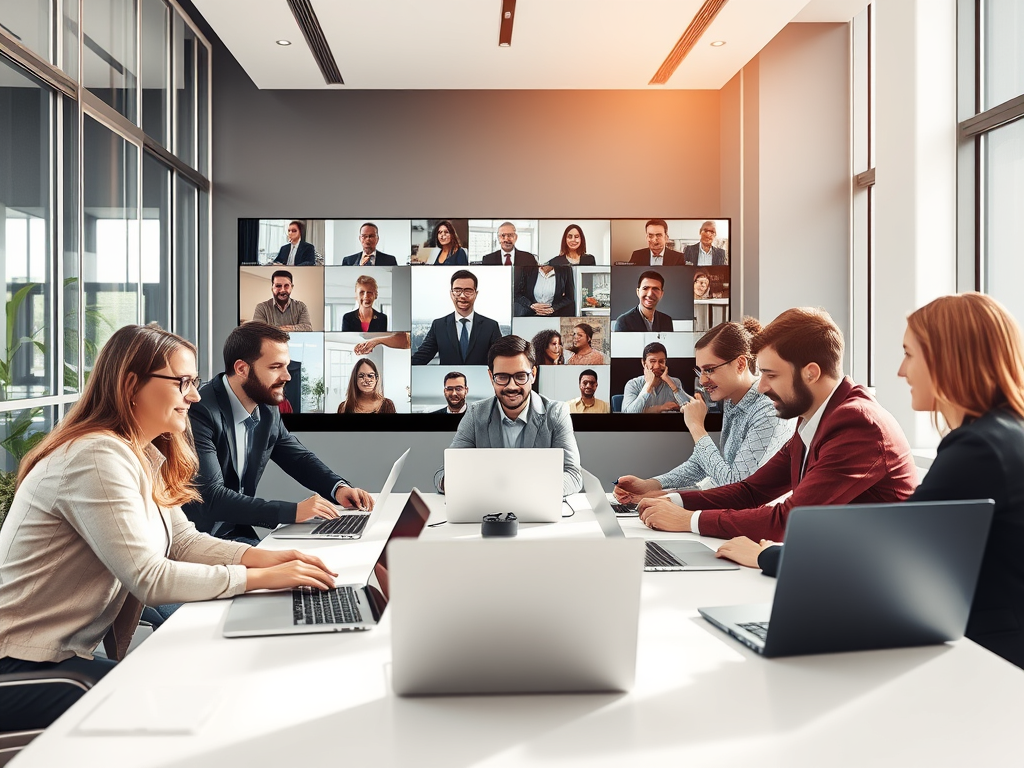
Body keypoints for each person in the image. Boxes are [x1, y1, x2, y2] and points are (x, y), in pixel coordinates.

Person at [0, 325, 336, 730]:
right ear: (131, 385)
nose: (194, 395)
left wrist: (273, 558)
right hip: (19, 664)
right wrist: (261, 577)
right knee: (187, 708)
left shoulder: (138, 452)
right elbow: (149, 578)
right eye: (183, 382)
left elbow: (181, 540)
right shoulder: (96, 456)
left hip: (55, 658)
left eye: (194, 383)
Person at [717, 294, 1024, 670]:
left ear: (949, 359)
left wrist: (766, 555)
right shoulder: (1000, 436)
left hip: (988, 659)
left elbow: (891, 561)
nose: (900, 370)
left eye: (910, 354)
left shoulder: (979, 449)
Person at [636, 307, 917, 540]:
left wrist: (689, 520)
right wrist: (673, 502)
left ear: (811, 373)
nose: (762, 387)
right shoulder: (815, 418)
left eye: (771, 375)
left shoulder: (857, 424)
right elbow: (752, 490)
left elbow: (789, 519)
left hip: (868, 582)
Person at [185, 322, 374, 543]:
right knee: (301, 571)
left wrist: (338, 489)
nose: (287, 376)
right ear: (242, 369)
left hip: (236, 533)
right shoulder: (200, 410)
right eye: (275, 367)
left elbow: (297, 457)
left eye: (286, 366)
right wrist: (293, 512)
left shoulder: (267, 407)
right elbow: (211, 499)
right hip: (198, 539)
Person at [615, 319, 792, 497]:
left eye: (709, 370)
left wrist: (696, 427)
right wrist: (652, 485)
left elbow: (735, 485)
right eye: (700, 371)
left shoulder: (768, 410)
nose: (702, 381)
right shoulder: (732, 400)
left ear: (740, 364)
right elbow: (707, 463)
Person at [446, 334, 582, 496]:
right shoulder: (475, 414)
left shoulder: (556, 413)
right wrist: (451, 481)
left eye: (520, 376)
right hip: (488, 509)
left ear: (533, 374)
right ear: (491, 377)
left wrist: (526, 491)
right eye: (502, 377)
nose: (512, 386)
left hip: (537, 506)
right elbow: (445, 472)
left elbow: (573, 475)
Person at [411, 270, 502, 366]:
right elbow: (421, 357)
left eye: (468, 291)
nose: (462, 296)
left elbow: (500, 359)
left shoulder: (491, 326)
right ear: (451, 294)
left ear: (476, 294)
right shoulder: (439, 325)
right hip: (449, 379)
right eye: (457, 291)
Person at [621, 341, 690, 413]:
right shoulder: (633, 384)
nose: (657, 366)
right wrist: (648, 385)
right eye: (652, 361)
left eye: (661, 361)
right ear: (644, 363)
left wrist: (670, 383)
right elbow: (627, 414)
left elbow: (689, 410)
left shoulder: (675, 382)